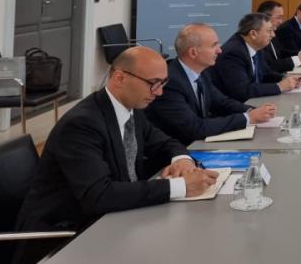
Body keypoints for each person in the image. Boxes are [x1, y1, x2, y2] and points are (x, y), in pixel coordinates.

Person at [14, 46, 218, 263]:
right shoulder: (81, 124)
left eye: (163, 83)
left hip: (117, 218)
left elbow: (166, 143)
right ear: (120, 78)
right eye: (153, 83)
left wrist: (182, 161)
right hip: (66, 237)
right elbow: (99, 195)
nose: (159, 92)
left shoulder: (131, 109)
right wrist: (181, 186)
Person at [146, 23, 277, 145]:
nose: (219, 50)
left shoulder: (202, 72)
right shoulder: (170, 83)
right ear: (193, 52)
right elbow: (194, 128)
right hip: (178, 151)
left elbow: (221, 102)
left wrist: (252, 111)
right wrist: (247, 118)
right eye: (214, 46)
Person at [211, 12, 301, 101]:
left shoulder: (255, 46)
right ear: (253, 34)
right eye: (269, 31)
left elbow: (265, 73)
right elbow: (242, 90)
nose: (273, 35)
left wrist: (284, 78)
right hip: (235, 105)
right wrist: (279, 86)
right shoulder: (233, 53)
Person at [257, 0, 301, 73]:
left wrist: (300, 54)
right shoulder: (258, 38)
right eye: (278, 17)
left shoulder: (273, 33)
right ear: (264, 17)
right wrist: (298, 59)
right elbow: (268, 66)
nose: (281, 21)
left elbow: (281, 52)